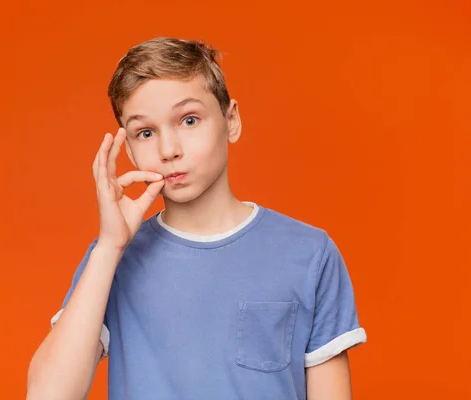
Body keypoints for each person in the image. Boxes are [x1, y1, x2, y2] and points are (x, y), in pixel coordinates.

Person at [26, 36, 367, 400]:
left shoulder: (310, 254)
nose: (169, 150)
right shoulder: (111, 259)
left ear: (231, 120)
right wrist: (110, 246)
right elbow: (49, 395)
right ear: (128, 149)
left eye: (189, 120)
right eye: (145, 132)